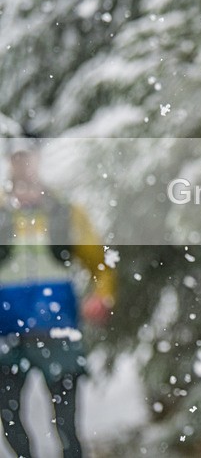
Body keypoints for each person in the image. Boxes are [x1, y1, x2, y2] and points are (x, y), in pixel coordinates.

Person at [0, 138, 115, 458]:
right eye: (16, 157)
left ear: (39, 160)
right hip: (6, 331)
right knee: (9, 419)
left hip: (57, 330)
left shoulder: (65, 212)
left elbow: (101, 263)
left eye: (27, 157)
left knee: (67, 424)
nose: (22, 164)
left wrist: (102, 296)